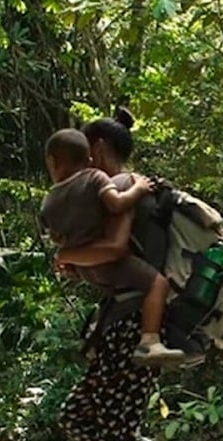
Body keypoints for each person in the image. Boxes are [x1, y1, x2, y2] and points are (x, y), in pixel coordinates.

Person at [58, 108, 198, 441]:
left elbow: (115, 250)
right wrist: (78, 263)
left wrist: (68, 255)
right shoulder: (121, 190)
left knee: (116, 425)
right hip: (121, 320)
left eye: (84, 153)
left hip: (132, 324)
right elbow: (112, 261)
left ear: (98, 149)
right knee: (77, 416)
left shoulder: (121, 187)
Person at [42, 128, 185, 366]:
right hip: (119, 281)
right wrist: (139, 187)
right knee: (158, 283)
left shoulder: (48, 201)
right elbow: (116, 220)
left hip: (94, 275)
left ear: (51, 162)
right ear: (89, 156)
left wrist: (70, 256)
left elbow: (58, 238)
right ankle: (150, 342)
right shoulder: (98, 181)